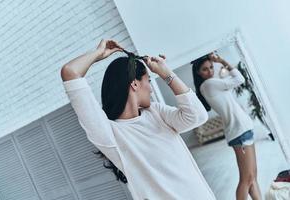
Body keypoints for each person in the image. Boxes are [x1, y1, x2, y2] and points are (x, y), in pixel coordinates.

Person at [60, 39, 216, 200]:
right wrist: (99, 53)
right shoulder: (110, 134)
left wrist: (166, 73)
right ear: (134, 84)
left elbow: (197, 116)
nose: (150, 89)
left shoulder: (155, 111)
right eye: (148, 81)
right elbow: (70, 72)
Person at [192, 53, 262, 200]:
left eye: (211, 67)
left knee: (252, 177)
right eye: (205, 69)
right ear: (198, 73)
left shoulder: (213, 84)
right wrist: (222, 60)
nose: (210, 71)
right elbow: (239, 79)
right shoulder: (209, 84)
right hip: (239, 133)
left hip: (243, 129)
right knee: (247, 179)